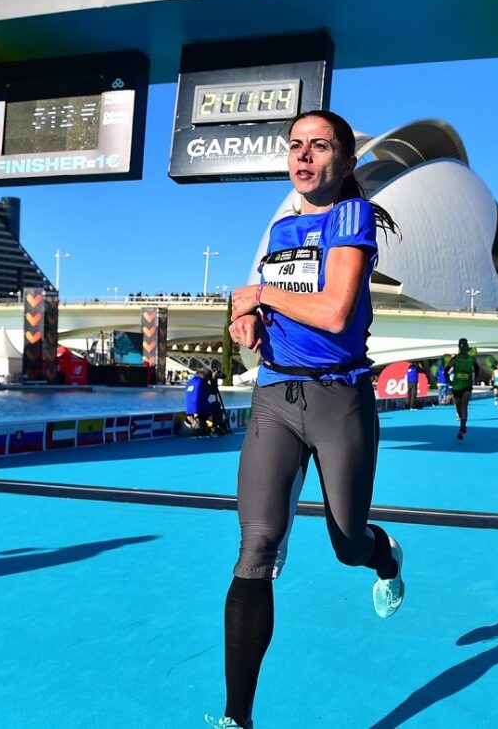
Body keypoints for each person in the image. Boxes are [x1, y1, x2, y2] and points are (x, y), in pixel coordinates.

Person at [208, 110, 404, 729]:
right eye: (296, 145)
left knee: (347, 544)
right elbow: (262, 309)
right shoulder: (281, 227)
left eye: (319, 146)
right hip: (275, 395)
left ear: (345, 160)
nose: (304, 155)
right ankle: (237, 719)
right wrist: (245, 320)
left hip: (339, 399)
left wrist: (259, 296)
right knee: (256, 548)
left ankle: (385, 555)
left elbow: (335, 311)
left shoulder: (351, 216)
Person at [449, 337, 479, 439]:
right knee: (458, 408)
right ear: (459, 347)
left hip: (467, 387)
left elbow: (477, 369)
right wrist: (450, 381)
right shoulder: (454, 359)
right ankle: (463, 424)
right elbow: (446, 371)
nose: (462, 348)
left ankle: (462, 428)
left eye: (464, 346)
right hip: (456, 387)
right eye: (461, 346)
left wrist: (474, 380)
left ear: (467, 347)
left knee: (464, 406)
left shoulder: (472, 359)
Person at [183, 368, 212, 436]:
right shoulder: (202, 382)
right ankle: (213, 427)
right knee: (216, 405)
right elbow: (214, 391)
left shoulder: (190, 382)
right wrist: (213, 380)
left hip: (189, 411)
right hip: (200, 410)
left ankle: (194, 421)